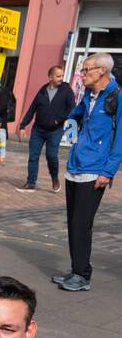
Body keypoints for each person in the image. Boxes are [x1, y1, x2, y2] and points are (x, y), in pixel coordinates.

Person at [53, 52, 122, 293]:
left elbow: (120, 139)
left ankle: (82, 275)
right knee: (73, 222)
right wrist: (73, 139)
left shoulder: (117, 97)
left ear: (102, 71)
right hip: (75, 166)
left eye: (86, 70)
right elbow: (73, 116)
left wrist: (108, 171)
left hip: (95, 171)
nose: (82, 74)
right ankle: (76, 270)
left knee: (82, 223)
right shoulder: (88, 96)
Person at [16, 67, 73, 193]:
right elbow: (32, 108)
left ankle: (54, 177)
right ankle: (31, 182)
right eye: (58, 76)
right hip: (38, 130)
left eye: (62, 75)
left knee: (51, 156)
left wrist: (58, 120)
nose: (61, 78)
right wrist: (22, 126)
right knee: (33, 156)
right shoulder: (43, 90)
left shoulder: (66, 90)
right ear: (50, 77)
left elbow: (71, 108)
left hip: (55, 130)